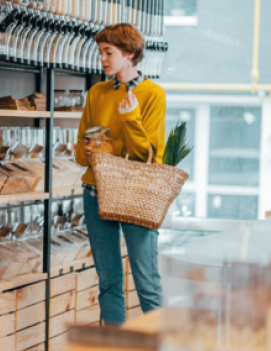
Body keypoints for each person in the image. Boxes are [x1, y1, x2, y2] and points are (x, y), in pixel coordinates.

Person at [75, 23, 167, 325]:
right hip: (95, 192)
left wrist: (130, 117)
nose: (102, 59)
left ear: (129, 53)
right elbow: (79, 154)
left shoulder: (153, 95)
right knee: (109, 283)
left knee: (147, 284)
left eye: (108, 52)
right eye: (100, 52)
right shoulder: (97, 92)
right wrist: (89, 151)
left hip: (136, 195)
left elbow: (147, 156)